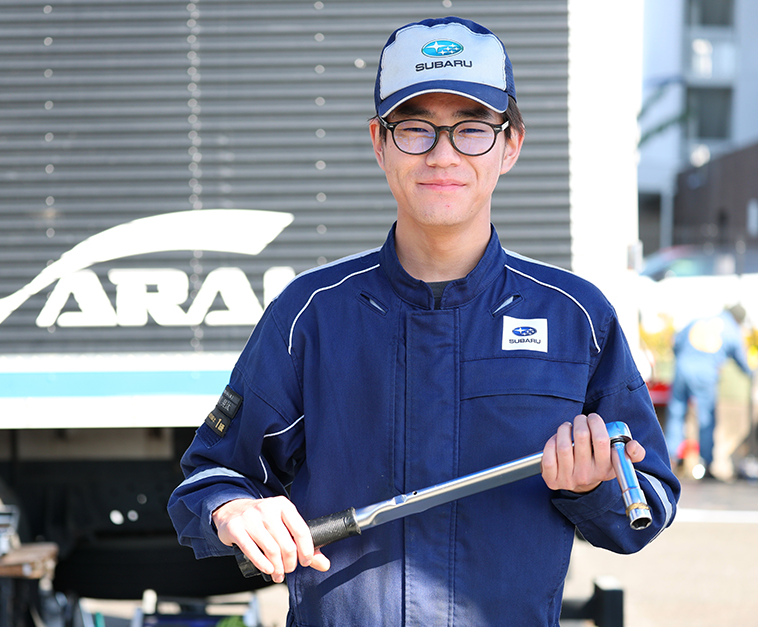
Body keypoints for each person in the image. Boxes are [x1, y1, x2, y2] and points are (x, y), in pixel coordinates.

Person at [168, 16, 680, 626]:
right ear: (379, 143)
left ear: (511, 145)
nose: (443, 155)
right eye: (415, 129)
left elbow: (649, 500)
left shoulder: (577, 317)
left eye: (472, 130)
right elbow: (213, 475)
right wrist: (233, 510)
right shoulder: (309, 316)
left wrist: (594, 488)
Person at [664, 304, 752, 478]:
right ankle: (706, 464)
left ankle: (670, 460)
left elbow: (676, 342)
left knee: (676, 414)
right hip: (705, 374)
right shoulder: (732, 330)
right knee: (706, 419)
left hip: (682, 369)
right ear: (738, 319)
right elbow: (742, 361)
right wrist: (751, 373)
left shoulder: (698, 321)